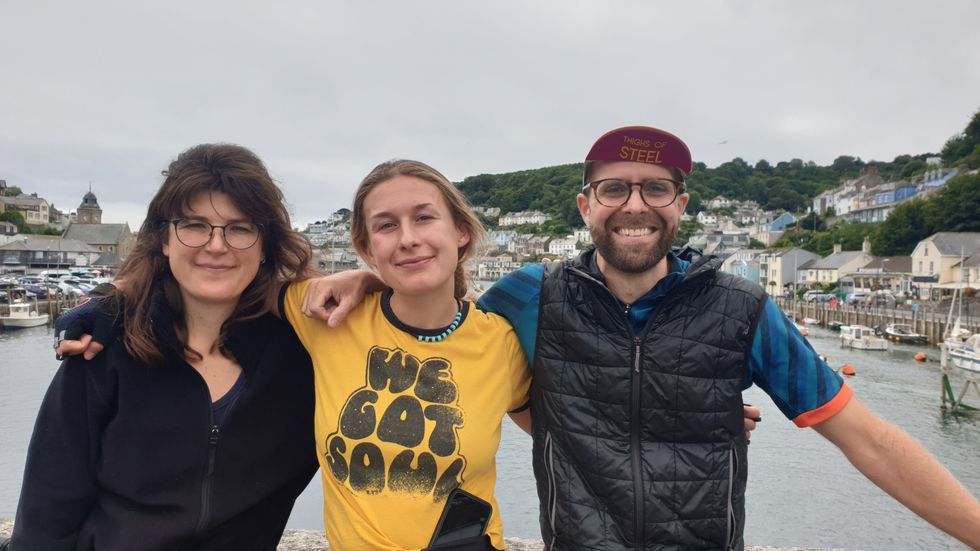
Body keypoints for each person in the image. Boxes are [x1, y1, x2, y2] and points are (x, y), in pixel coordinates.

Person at [301, 126, 980, 550]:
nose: (634, 205)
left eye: (656, 188)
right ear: (585, 205)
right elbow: (442, 312)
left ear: (681, 205)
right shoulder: (532, 294)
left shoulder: (742, 307)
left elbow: (867, 438)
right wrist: (365, 276)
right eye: (613, 189)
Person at [48, 159, 533, 551]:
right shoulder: (325, 318)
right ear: (366, 247)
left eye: (424, 217)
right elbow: (220, 276)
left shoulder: (502, 343)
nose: (407, 237)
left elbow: (556, 435)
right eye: (386, 226)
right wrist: (105, 304)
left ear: (461, 231)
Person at [7, 144, 318, 550]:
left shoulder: (304, 359)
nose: (217, 245)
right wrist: (109, 300)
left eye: (240, 228)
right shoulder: (104, 349)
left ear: (265, 246)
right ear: (164, 240)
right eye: (194, 225)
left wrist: (358, 283)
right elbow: (47, 512)